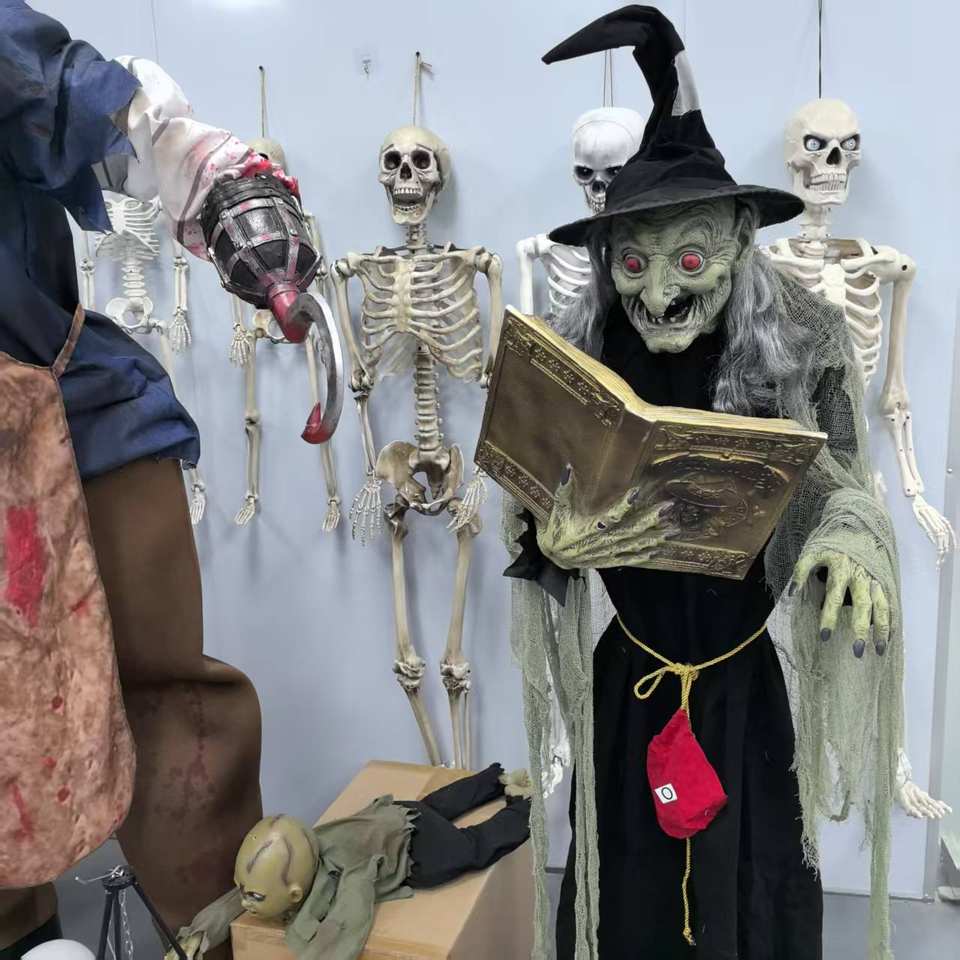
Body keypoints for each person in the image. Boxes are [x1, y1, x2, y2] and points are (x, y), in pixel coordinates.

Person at [507, 7, 904, 960]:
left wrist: (848, 538)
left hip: (740, 688)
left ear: (738, 236)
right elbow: (535, 506)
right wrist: (549, 536)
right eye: (632, 262)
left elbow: (840, 482)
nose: (658, 292)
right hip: (630, 678)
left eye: (689, 258)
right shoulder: (586, 349)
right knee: (626, 891)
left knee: (753, 884)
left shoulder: (797, 343)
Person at [0, 3, 299, 955]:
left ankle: (217, 938)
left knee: (171, 706)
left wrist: (217, 178)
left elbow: (78, 97)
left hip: (61, 415)